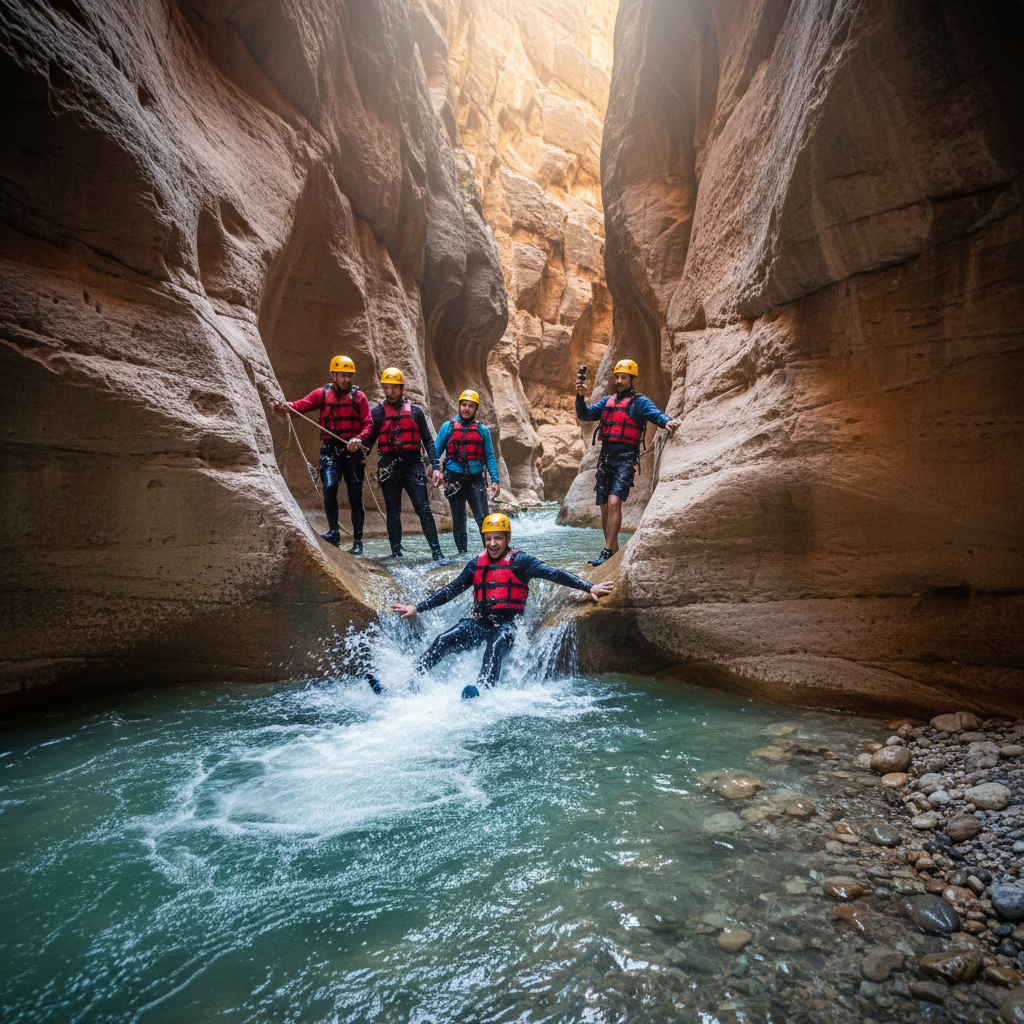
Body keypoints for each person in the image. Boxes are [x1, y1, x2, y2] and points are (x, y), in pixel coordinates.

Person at [387, 513, 614, 698]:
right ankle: (408, 682)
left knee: (495, 646)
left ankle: (483, 692)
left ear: (507, 538)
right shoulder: (476, 563)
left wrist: (589, 587)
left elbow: (554, 573)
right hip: (479, 623)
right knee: (444, 640)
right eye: (488, 538)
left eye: (498, 538)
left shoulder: (521, 561)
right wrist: (417, 607)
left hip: (508, 626)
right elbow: (451, 590)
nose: (493, 544)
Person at [575, 359, 681, 566]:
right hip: (606, 460)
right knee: (604, 508)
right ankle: (611, 549)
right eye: (617, 377)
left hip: (626, 460)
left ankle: (606, 551)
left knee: (615, 502)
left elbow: (655, 414)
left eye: (623, 377)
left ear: (632, 379)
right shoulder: (608, 401)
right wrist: (580, 395)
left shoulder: (639, 402)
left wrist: (666, 421)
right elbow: (584, 414)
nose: (619, 381)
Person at [273, 355, 372, 554]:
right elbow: (301, 405)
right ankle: (334, 532)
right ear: (333, 375)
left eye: (349, 376)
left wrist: (359, 439)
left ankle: (358, 541)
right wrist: (286, 406)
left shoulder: (359, 397)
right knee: (329, 486)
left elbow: (368, 424)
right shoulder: (322, 394)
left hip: (352, 453)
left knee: (355, 497)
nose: (347, 380)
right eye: (343, 376)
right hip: (331, 452)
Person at [364, 367, 447, 560]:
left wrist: (435, 467)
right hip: (388, 468)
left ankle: (437, 552)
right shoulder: (378, 413)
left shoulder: (416, 412)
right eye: (386, 387)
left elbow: (427, 440)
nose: (390, 392)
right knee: (393, 512)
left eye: (394, 388)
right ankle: (396, 552)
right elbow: (369, 441)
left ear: (402, 389)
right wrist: (357, 447)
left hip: (413, 465)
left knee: (423, 509)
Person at [435, 389, 501, 555]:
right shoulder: (448, 427)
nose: (466, 409)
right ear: (459, 406)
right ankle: (462, 554)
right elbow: (435, 452)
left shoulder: (482, 431)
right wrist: (436, 470)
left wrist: (495, 480)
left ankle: (490, 554)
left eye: (470, 406)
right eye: (464, 405)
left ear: (475, 409)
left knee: (483, 519)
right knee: (459, 520)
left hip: (475, 479)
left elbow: (490, 457)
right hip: (453, 479)